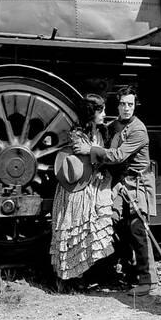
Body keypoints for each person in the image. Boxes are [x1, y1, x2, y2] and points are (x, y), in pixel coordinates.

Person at [73, 86, 158, 296]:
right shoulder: (114, 125)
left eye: (130, 104)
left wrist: (91, 150)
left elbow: (118, 155)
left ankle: (148, 281)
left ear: (135, 105)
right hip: (121, 183)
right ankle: (129, 273)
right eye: (122, 104)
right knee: (115, 224)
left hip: (138, 184)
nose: (126, 108)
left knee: (138, 229)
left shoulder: (138, 130)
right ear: (117, 105)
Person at [50, 94, 115, 286]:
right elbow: (90, 156)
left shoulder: (99, 132)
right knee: (74, 231)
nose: (104, 114)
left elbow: (97, 154)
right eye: (100, 111)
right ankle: (70, 278)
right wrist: (99, 154)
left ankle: (87, 274)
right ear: (90, 113)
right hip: (78, 189)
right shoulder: (78, 135)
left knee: (89, 231)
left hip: (93, 185)